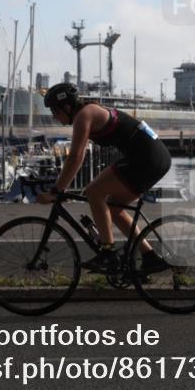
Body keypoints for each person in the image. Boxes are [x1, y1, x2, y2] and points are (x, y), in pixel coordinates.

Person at [36, 83, 172, 273]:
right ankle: (151, 258)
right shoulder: (87, 112)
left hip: (147, 157)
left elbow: (76, 157)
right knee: (114, 208)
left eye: (54, 111)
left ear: (67, 107)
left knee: (93, 191)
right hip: (153, 157)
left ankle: (108, 254)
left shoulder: (84, 115)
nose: (54, 116)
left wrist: (56, 191)